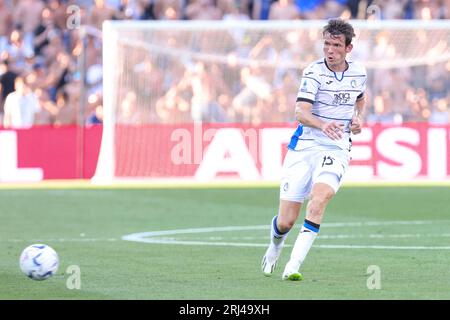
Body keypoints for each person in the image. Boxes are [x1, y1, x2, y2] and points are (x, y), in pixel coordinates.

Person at [261, 18, 367, 281]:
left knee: (318, 202)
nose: (330, 50)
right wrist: (322, 124)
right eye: (327, 44)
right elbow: (300, 113)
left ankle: (292, 267)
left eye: (336, 45)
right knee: (286, 221)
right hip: (305, 146)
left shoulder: (359, 72)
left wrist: (358, 118)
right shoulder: (313, 72)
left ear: (348, 49)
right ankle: (275, 245)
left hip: (336, 147)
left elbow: (361, 98)